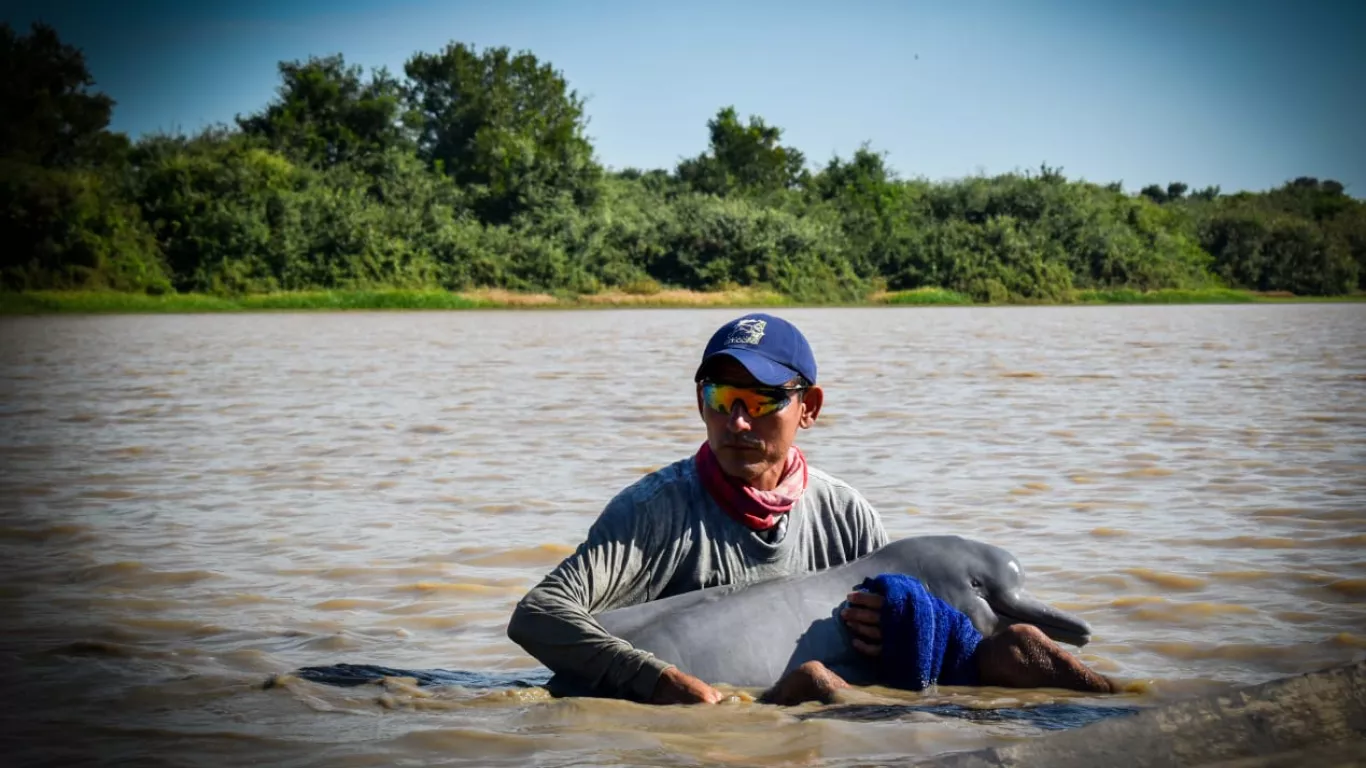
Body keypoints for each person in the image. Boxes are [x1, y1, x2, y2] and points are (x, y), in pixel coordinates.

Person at [506, 313, 891, 704]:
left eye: (761, 401)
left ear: (809, 407)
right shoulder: (653, 512)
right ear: (699, 402)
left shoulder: (846, 518)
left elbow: (903, 634)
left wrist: (897, 629)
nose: (737, 422)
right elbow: (539, 614)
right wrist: (658, 680)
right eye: (720, 398)